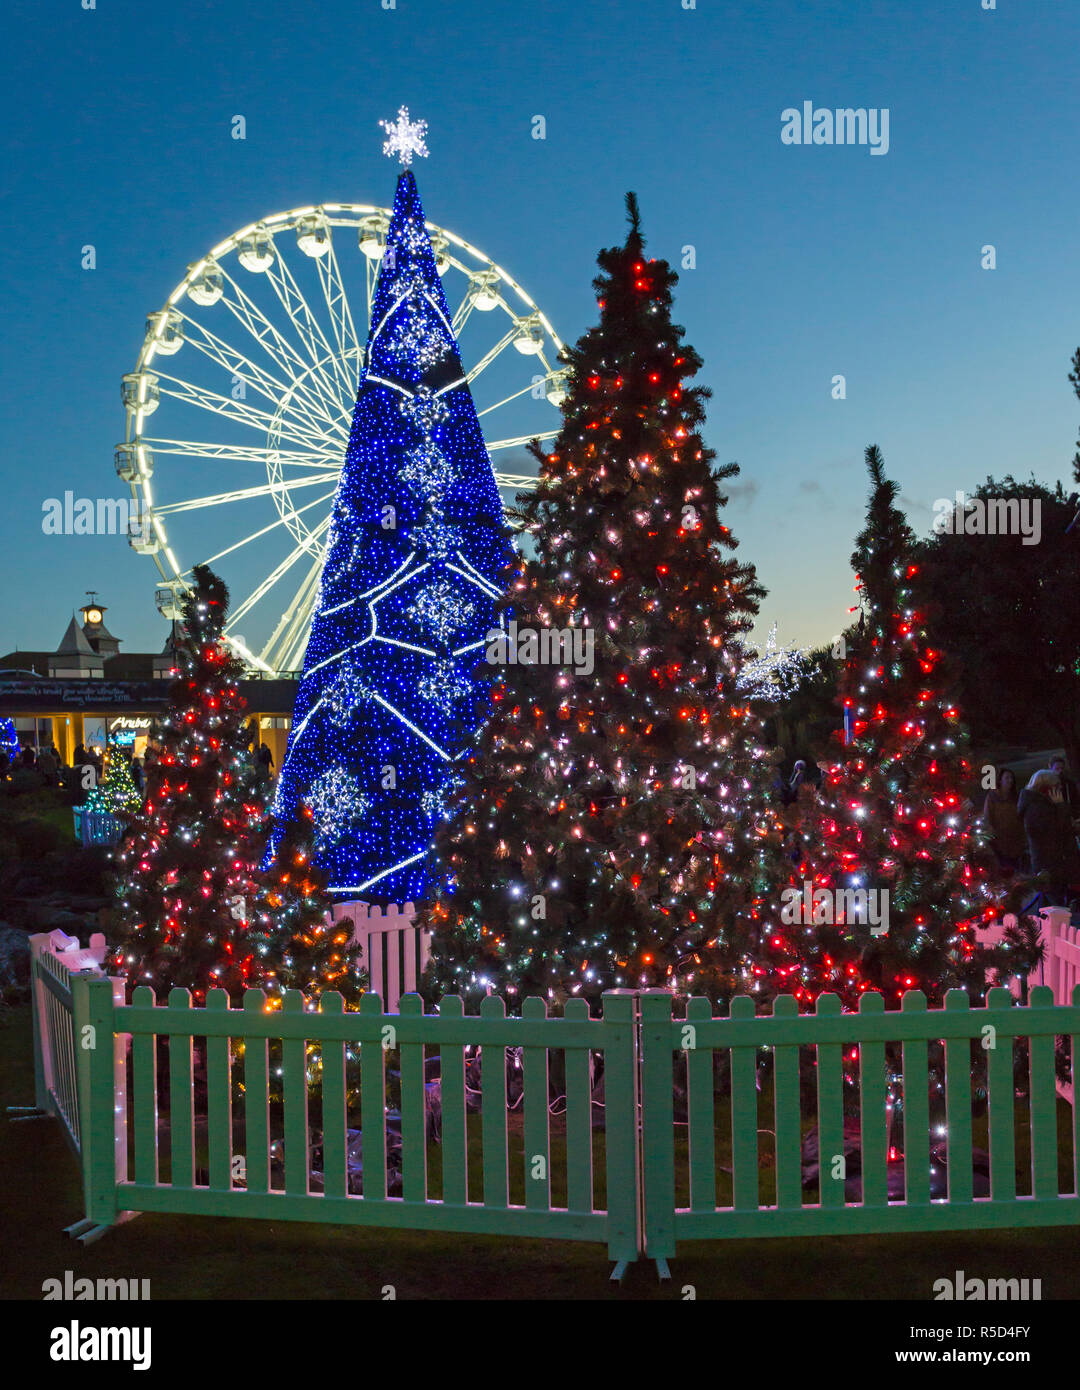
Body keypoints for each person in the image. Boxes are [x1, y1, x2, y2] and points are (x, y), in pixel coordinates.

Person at [1018, 770, 1080, 906]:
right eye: (1056, 785)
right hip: (1049, 864)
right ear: (1046, 788)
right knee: (1055, 903)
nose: (1060, 788)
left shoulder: (1043, 804)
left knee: (1049, 901)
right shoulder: (1036, 808)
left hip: (1052, 862)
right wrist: (1061, 806)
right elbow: (1057, 831)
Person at [982, 767, 1025, 872]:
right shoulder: (993, 796)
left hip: (1015, 840)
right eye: (1007, 778)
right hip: (1000, 841)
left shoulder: (1016, 797)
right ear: (1000, 780)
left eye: (1011, 778)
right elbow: (988, 816)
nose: (1010, 780)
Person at [1049, 756, 1080, 821]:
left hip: (1069, 816)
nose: (1060, 771)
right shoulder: (1046, 784)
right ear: (1050, 767)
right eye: (1057, 768)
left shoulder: (1069, 784)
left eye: (1062, 768)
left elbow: (1075, 802)